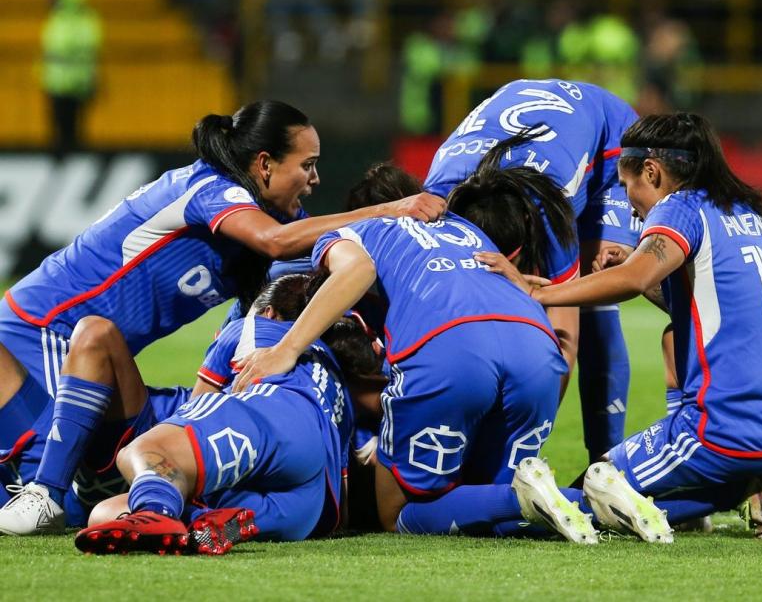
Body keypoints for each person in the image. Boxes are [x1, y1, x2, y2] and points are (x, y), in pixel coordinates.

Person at [0, 100, 443, 534]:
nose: (315, 179)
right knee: (46, 489)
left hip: (93, 349)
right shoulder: (212, 189)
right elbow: (274, 242)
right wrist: (387, 210)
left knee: (80, 478)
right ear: (264, 164)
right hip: (42, 330)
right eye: (307, 165)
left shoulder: (276, 218)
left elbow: (299, 289)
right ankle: (46, 492)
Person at [230, 149, 666, 543]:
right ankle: (593, 497)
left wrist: (285, 349)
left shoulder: (356, 230)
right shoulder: (465, 228)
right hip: (536, 345)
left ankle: (522, 500)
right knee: (484, 493)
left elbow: (355, 272)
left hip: (451, 349)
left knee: (396, 511)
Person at [506, 112, 762, 535]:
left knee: (585, 493)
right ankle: (742, 484)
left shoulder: (680, 206)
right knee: (671, 336)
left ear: (652, 171)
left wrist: (542, 292)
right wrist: (640, 266)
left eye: (628, 185)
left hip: (723, 428)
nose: (629, 201)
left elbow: (634, 278)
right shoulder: (748, 212)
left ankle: (727, 475)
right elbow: (709, 308)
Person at [74, 280, 383, 555]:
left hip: (272, 421)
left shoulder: (253, 327)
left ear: (269, 312)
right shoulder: (333, 374)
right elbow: (340, 510)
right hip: (310, 504)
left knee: (142, 452)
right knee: (107, 513)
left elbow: (195, 408)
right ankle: (213, 526)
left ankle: (156, 511)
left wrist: (172, 455)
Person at [423, 78, 640, 461]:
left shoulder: (548, 210)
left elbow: (564, 338)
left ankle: (607, 465)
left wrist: (521, 445)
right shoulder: (435, 203)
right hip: (541, 133)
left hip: (609, 144)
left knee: (595, 296)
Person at [40, 0, 103, 154]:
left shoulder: (82, 19)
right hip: (56, 90)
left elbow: (85, 52)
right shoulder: (58, 17)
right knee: (60, 142)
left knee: (71, 143)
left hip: (73, 92)